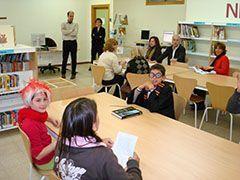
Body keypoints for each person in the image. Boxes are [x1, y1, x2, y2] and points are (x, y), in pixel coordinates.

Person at [54, 98, 142, 180]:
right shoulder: (103, 155)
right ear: (94, 125)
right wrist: (133, 164)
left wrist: (98, 143)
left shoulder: (60, 143)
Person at [18, 80, 60, 170]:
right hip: (45, 161)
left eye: (45, 99)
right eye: (38, 100)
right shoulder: (30, 125)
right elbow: (38, 155)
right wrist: (58, 142)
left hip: (45, 150)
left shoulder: (30, 113)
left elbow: (41, 117)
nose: (43, 104)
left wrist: (51, 119)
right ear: (29, 102)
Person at [61, 11, 79, 79]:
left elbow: (75, 34)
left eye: (72, 16)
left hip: (73, 42)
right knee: (64, 58)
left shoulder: (76, 24)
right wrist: (71, 30)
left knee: (74, 58)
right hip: (65, 42)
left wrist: (68, 32)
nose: (71, 17)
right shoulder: (63, 24)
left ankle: (73, 73)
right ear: (67, 16)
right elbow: (64, 32)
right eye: (70, 16)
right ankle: (63, 73)